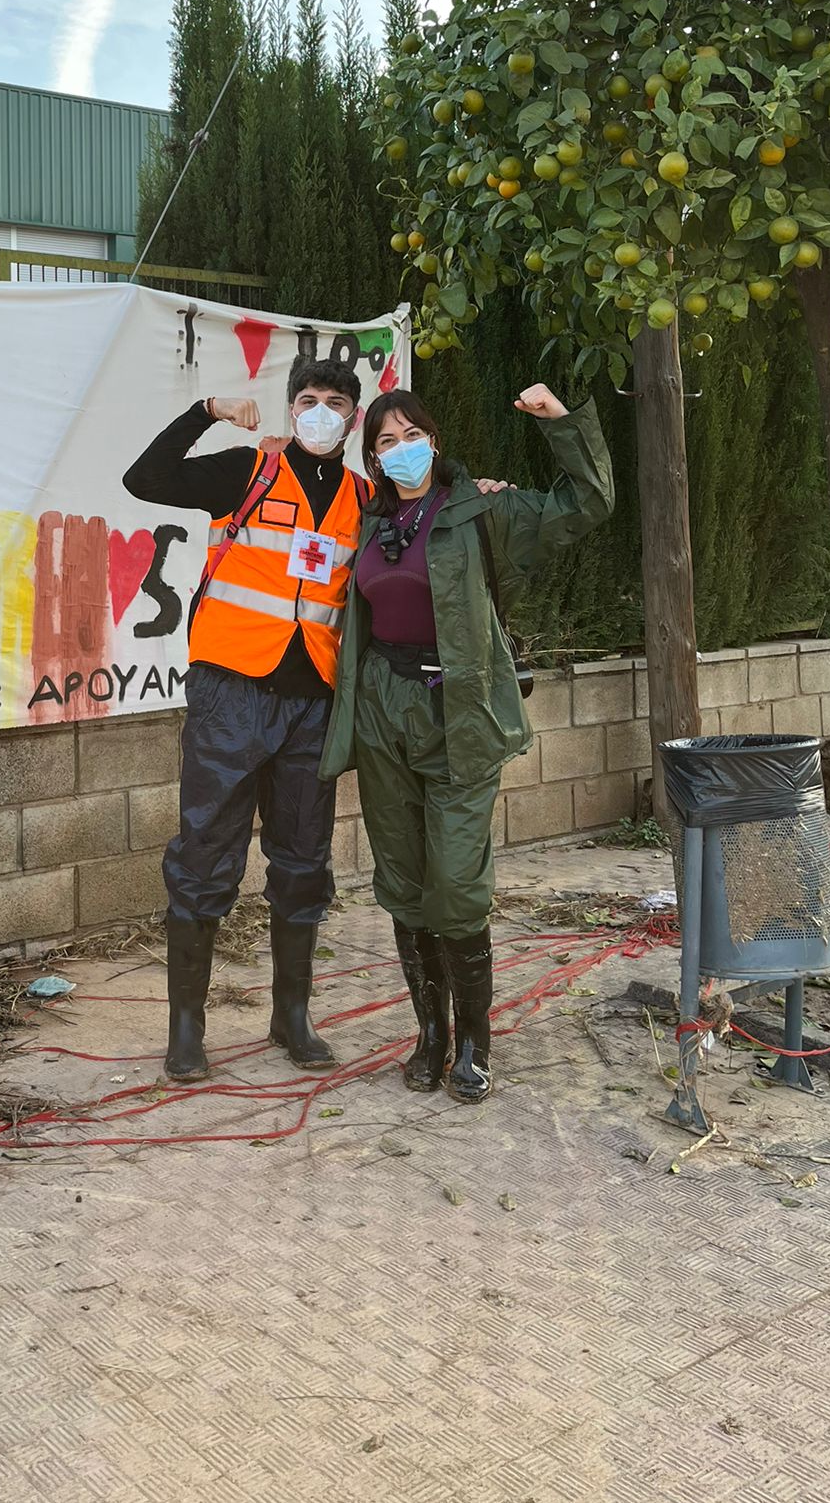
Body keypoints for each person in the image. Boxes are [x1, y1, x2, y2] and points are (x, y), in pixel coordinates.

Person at [320, 382, 613, 1105]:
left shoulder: (485, 510)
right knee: (405, 883)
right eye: (385, 443)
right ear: (375, 458)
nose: (400, 450)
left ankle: (476, 1042)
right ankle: (432, 1037)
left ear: (434, 439)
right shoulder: (369, 524)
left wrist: (563, 425)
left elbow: (589, 503)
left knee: (455, 884)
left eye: (410, 434)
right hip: (385, 713)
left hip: (460, 713)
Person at [122, 358, 369, 1083]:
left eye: (334, 403)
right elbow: (146, 479)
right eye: (307, 399)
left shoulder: (365, 496)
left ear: (354, 417)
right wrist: (206, 410)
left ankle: (291, 1018)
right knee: (205, 855)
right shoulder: (248, 472)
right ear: (292, 408)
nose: (319, 412)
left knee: (303, 859)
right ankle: (188, 1029)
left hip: (312, 701)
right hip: (231, 692)